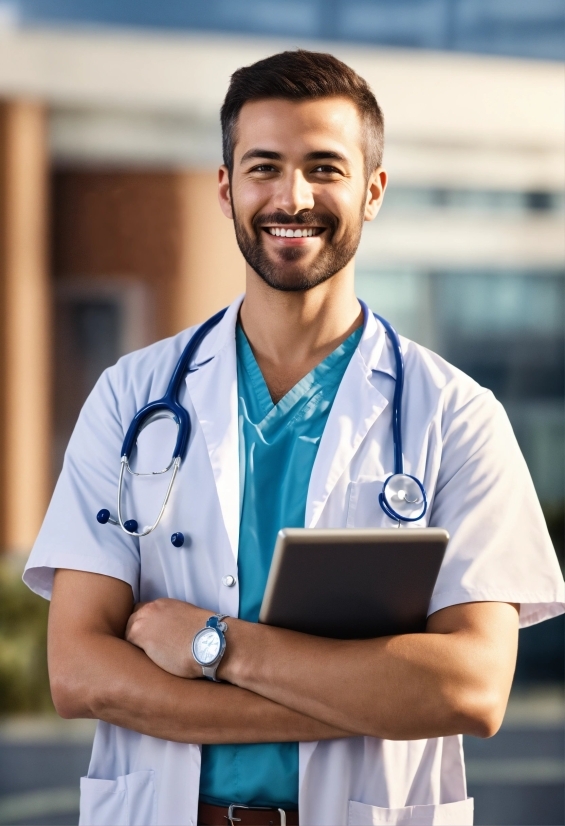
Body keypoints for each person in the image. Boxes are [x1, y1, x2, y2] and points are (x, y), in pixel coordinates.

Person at [24, 50, 564, 826]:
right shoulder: (131, 397)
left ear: (373, 191)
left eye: (324, 167)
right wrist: (369, 699)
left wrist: (214, 645)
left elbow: (470, 689)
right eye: (264, 167)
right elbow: (80, 674)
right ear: (225, 187)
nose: (292, 196)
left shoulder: (456, 416)